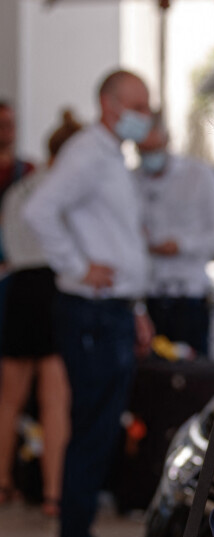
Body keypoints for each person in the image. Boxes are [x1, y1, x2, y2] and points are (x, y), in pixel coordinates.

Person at [23, 69, 154, 537]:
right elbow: (40, 209)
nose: (146, 114)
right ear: (109, 103)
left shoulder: (110, 156)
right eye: (138, 104)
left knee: (100, 434)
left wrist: (137, 306)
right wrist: (77, 268)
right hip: (91, 311)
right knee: (92, 434)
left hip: (113, 310)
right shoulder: (86, 152)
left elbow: (119, 239)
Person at [0, 109, 82, 514]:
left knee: (8, 398)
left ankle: (2, 482)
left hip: (18, 289)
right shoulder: (64, 191)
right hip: (52, 286)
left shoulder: (21, 187)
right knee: (54, 399)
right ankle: (53, 493)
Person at [135, 114, 214, 356]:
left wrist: (181, 245)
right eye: (143, 150)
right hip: (149, 297)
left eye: (154, 148)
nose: (149, 156)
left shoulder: (197, 174)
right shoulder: (132, 179)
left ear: (166, 139)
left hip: (189, 297)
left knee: (191, 380)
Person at [0, 100, 34, 267]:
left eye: (10, 124)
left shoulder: (29, 171)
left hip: (18, 258)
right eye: (2, 124)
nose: (7, 130)